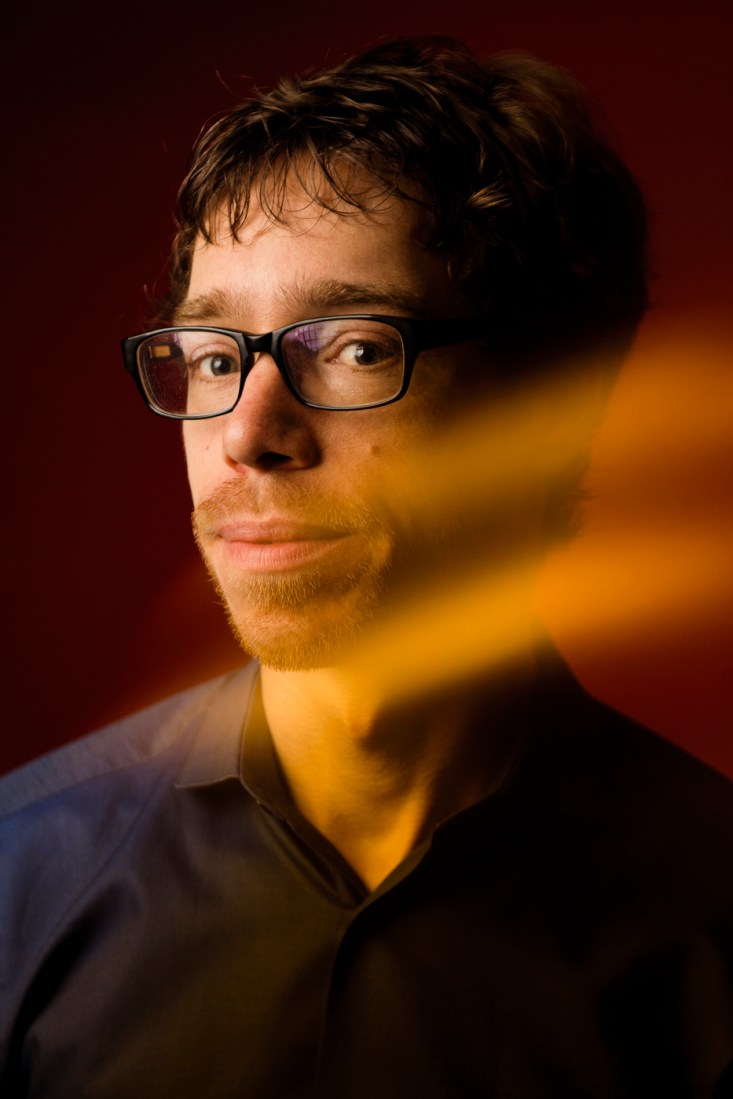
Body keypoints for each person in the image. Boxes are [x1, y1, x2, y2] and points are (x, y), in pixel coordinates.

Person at [1, 36, 731, 1099]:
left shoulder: (713, 918)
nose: (248, 435)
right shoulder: (19, 883)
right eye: (213, 355)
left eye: (352, 347)